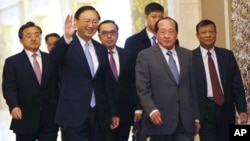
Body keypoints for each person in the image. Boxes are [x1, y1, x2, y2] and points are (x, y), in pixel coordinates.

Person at [49, 5, 119, 141]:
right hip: (74, 113)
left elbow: (107, 83)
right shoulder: (66, 45)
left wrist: (113, 112)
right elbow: (53, 60)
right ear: (76, 22)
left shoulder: (101, 49)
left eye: (94, 21)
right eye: (87, 21)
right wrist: (67, 38)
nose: (91, 25)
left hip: (98, 114)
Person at [135, 17, 200, 141]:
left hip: (185, 122)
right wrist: (152, 110)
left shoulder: (188, 55)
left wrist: (196, 117)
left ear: (176, 34)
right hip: (159, 120)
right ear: (156, 34)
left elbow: (194, 89)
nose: (167, 36)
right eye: (163, 32)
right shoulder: (145, 56)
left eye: (171, 32)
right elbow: (142, 88)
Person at [192, 19, 248, 141]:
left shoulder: (227, 55)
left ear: (216, 33)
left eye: (211, 31)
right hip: (204, 111)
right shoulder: (190, 58)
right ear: (197, 35)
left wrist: (242, 109)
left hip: (226, 109)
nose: (208, 35)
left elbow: (236, 84)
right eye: (204, 32)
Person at [2, 21, 59, 141]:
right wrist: (13, 105)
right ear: (21, 40)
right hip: (24, 118)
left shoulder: (51, 60)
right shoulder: (13, 62)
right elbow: (9, 88)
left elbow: (58, 85)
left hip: (49, 118)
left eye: (37, 35)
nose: (34, 38)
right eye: (29, 36)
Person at [124, 2, 164, 140]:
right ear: (146, 18)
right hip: (141, 101)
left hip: (165, 100)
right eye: (154, 16)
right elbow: (130, 76)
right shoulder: (132, 42)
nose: (157, 20)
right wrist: (137, 107)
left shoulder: (170, 40)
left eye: (160, 16)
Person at [97, 20, 142, 141]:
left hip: (125, 110)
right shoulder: (94, 56)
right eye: (105, 33)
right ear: (99, 36)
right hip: (103, 112)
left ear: (117, 34)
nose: (109, 36)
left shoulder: (127, 54)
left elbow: (133, 82)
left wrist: (138, 107)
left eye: (113, 32)